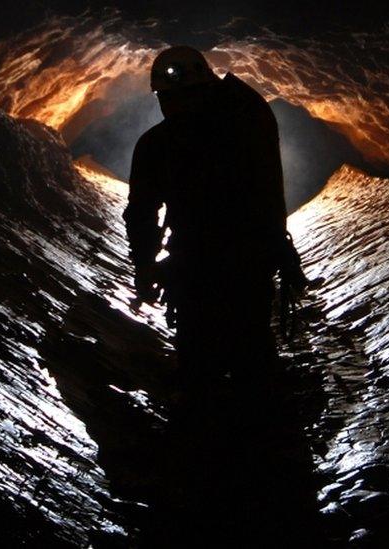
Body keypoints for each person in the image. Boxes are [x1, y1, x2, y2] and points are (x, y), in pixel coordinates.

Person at [123, 45, 306, 390]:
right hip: (229, 265)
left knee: (219, 359)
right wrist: (145, 264)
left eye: (178, 96)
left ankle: (227, 421)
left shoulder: (165, 143)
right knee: (243, 355)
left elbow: (143, 213)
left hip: (221, 266)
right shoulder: (243, 124)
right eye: (169, 98)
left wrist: (146, 266)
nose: (174, 106)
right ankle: (252, 421)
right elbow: (143, 213)